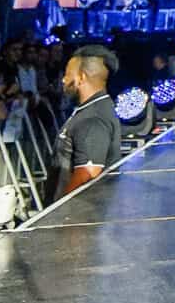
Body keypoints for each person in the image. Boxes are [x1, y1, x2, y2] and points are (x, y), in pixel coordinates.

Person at [51, 46, 122, 202]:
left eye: (67, 74)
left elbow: (88, 173)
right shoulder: (91, 109)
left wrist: (60, 209)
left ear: (81, 77)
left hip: (80, 212)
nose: (63, 80)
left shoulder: (92, 118)